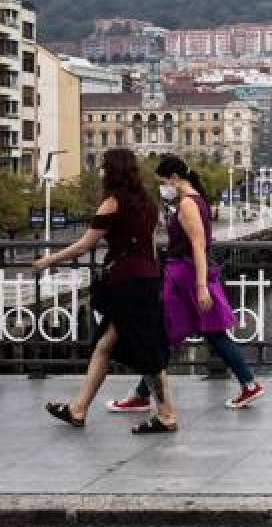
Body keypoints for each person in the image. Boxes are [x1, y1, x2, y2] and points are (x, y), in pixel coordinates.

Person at [106, 156, 264, 414]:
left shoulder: (188, 205)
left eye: (162, 182)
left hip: (185, 278)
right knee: (194, 334)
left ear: (174, 178)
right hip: (186, 276)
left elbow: (198, 247)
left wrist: (201, 286)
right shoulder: (195, 201)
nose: (162, 187)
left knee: (165, 335)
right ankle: (248, 383)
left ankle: (141, 395)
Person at [35, 148, 178, 433]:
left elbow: (85, 244)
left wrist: (49, 260)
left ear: (112, 170)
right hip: (145, 280)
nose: (101, 171)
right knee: (103, 346)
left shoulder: (112, 203)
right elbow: (150, 246)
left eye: (104, 167)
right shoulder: (148, 203)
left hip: (125, 284)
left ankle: (167, 415)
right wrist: (152, 275)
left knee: (146, 350)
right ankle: (78, 409)